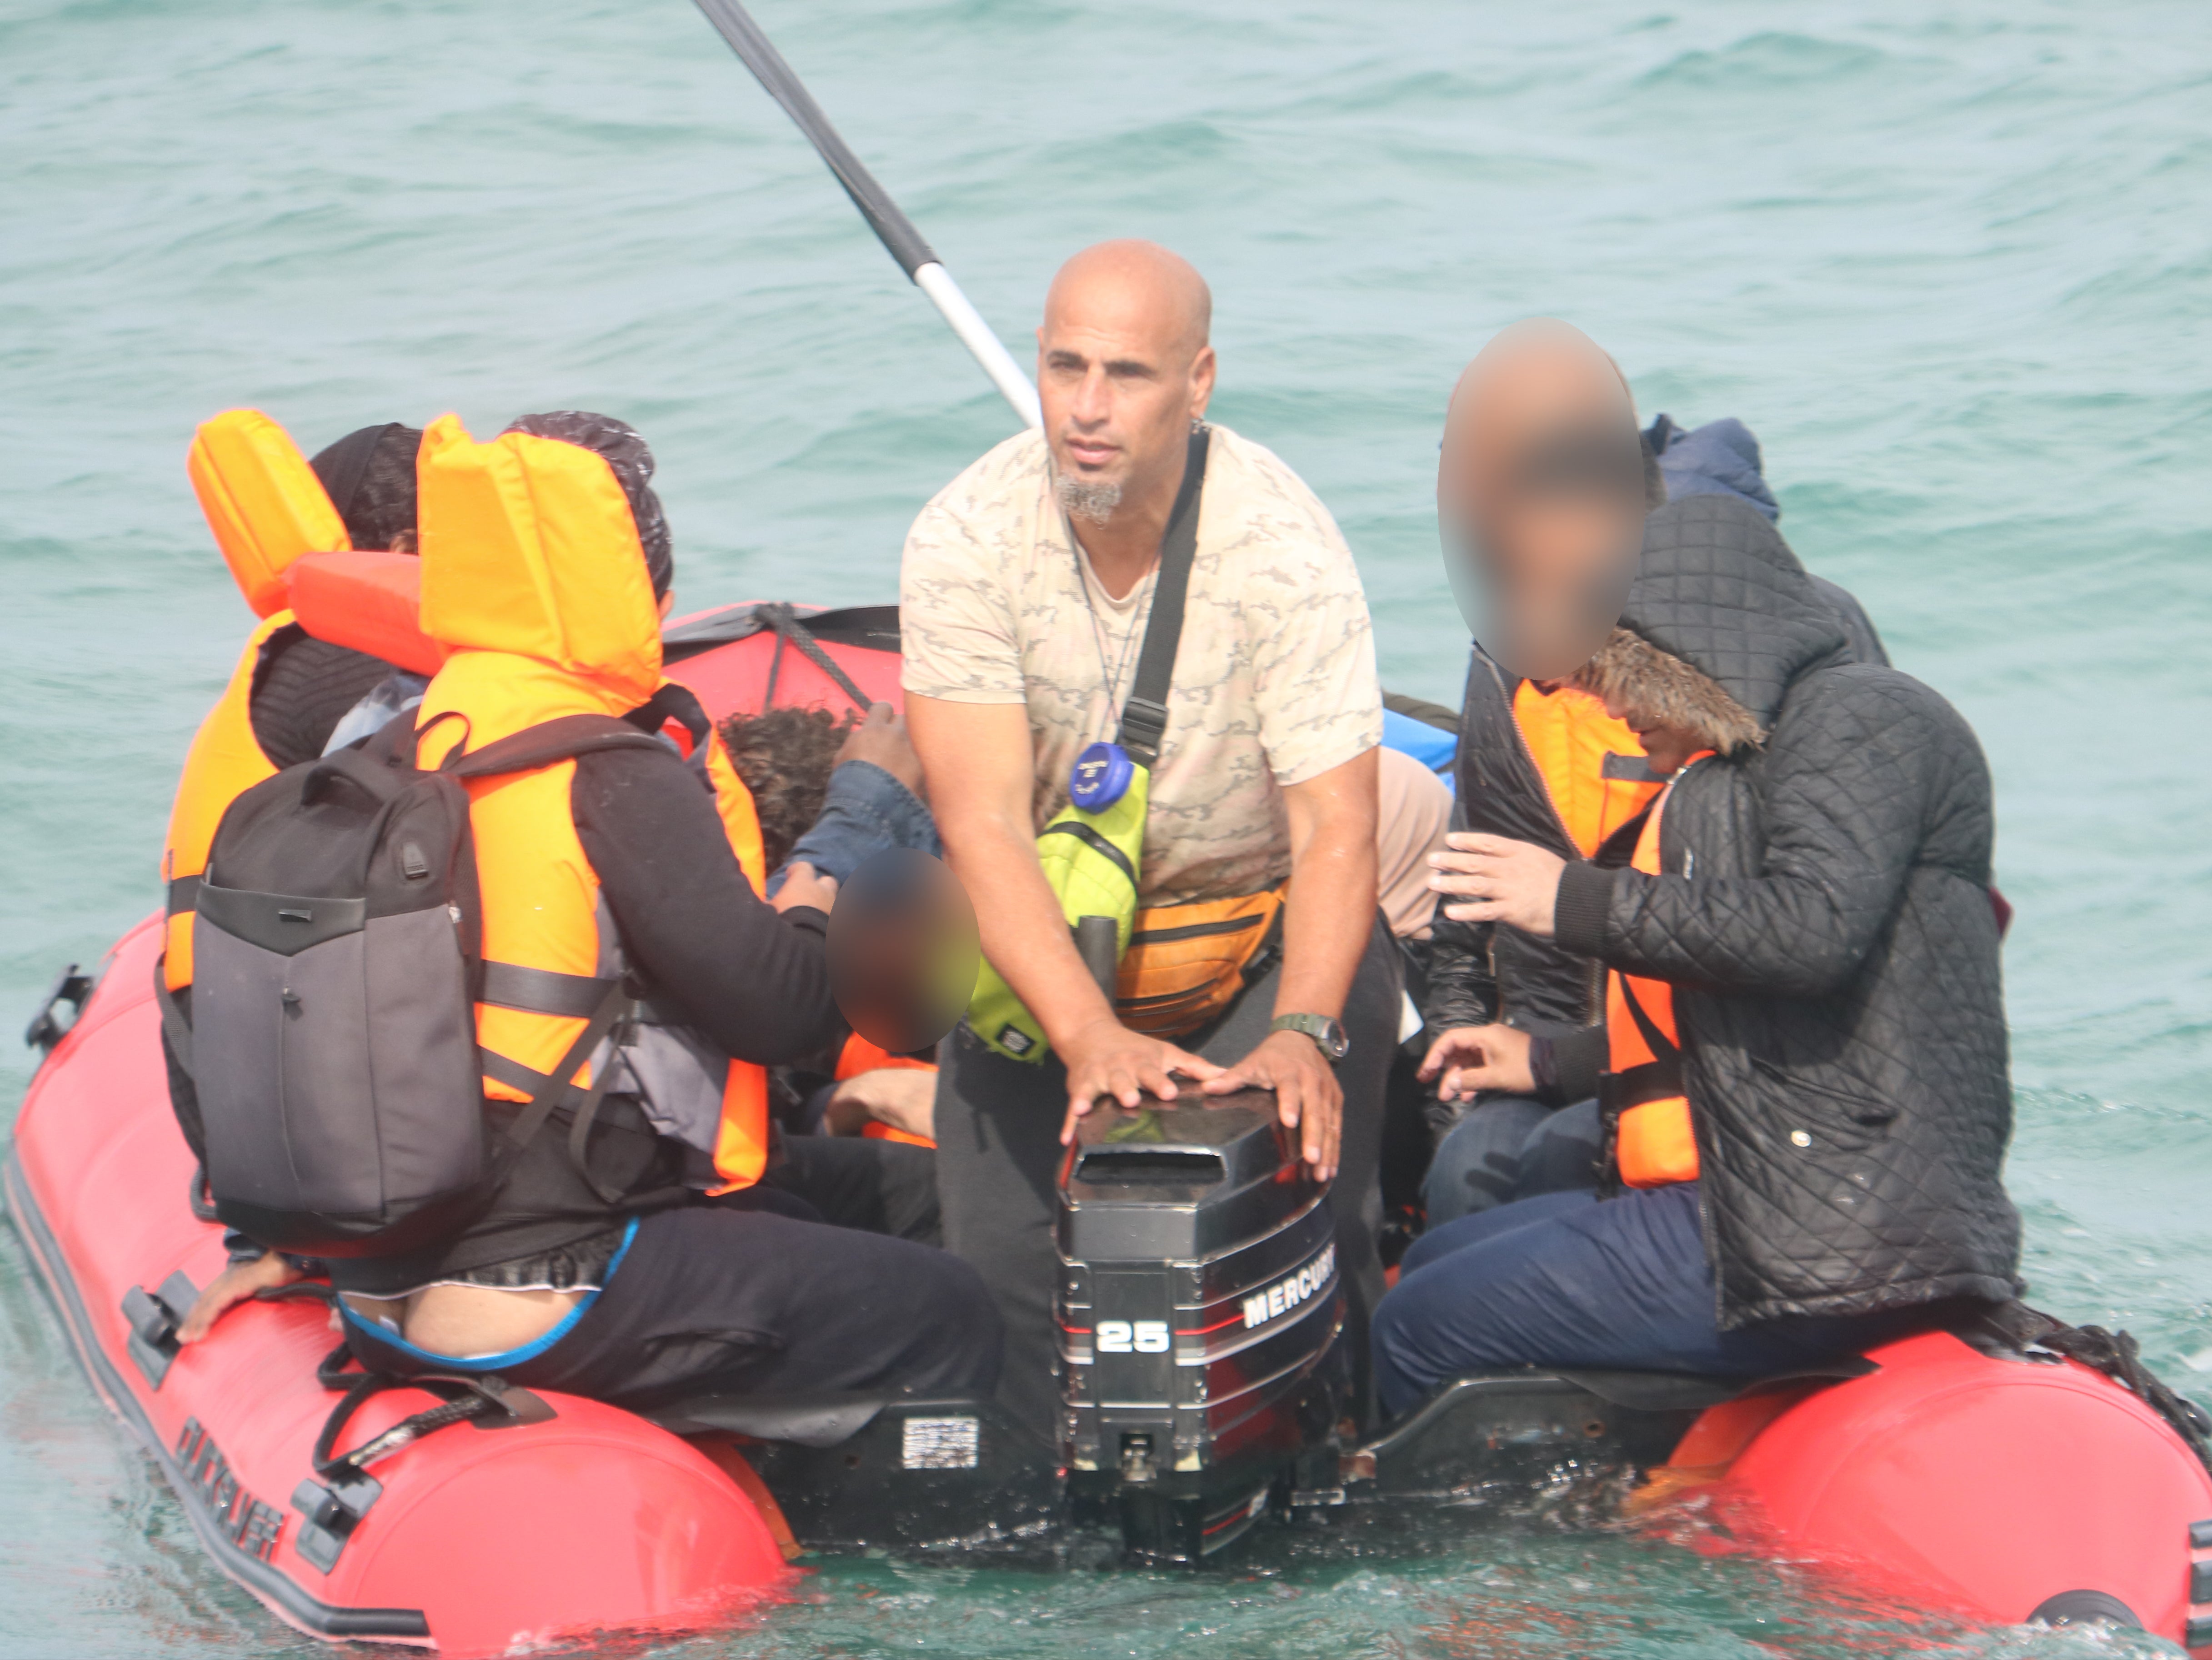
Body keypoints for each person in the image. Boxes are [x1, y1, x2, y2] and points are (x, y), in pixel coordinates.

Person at [183, 410, 1000, 1410]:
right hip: (548, 1278)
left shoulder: (399, 738)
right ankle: (942, 1552)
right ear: (621, 580)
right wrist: (859, 824)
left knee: (818, 1206)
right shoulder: (599, 763)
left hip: (380, 1282)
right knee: (950, 1303)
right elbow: (785, 1011)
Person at [1369, 490, 2021, 1415]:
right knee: (1433, 1259)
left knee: (1415, 1323)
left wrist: (1566, 897)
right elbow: (1738, 1026)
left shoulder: (1869, 717)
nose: (1608, 707)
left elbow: (1811, 929)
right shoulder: (1732, 776)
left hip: (1832, 1237)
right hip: (1773, 1200)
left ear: (1683, 650)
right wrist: (1542, 1056)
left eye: (1615, 672)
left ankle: (1470, 1554)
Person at [901, 239, 1398, 1440]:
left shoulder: (1284, 545)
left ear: (1200, 381)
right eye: (1063, 365)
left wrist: (1302, 1032)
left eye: (1125, 373)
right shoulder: (963, 536)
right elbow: (981, 824)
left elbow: (1336, 823)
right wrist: (1082, 1032)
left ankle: (1334, 1474)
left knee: (1310, 1229)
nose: (1084, 407)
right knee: (1008, 1282)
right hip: (1048, 954)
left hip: (1254, 941)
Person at [1415, 399, 1892, 1229]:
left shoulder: (1820, 672)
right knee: (1469, 1169)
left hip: (1739, 1064)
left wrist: (1560, 1024)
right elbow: (1470, 905)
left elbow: (1809, 936)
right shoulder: (1509, 661)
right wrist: (1459, 1069)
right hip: (1565, 1041)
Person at [160, 415, 423, 1165]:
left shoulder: (294, 648)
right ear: (402, 548)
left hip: (236, 1070)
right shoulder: (346, 658)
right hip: (279, 1104)